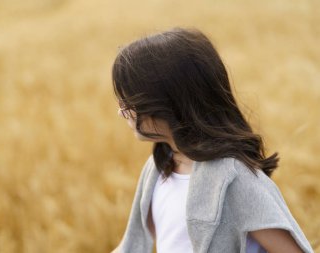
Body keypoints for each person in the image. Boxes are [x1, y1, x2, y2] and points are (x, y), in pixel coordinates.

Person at [110, 27, 314, 253]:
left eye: (129, 103)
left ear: (169, 102)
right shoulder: (159, 167)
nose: (122, 112)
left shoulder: (235, 179)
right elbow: (133, 245)